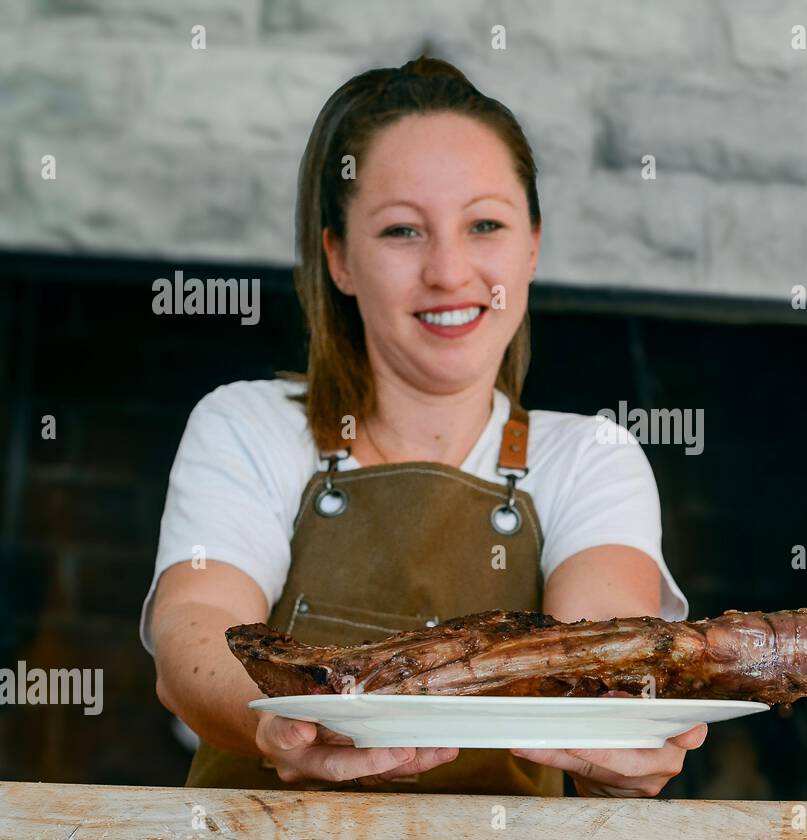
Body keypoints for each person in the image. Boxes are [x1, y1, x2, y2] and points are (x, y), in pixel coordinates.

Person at [143, 56, 706, 797]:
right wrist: (269, 721)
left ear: (531, 246)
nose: (448, 270)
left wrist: (621, 752)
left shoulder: (591, 457)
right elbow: (197, 630)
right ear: (338, 257)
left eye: (485, 224)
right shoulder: (245, 425)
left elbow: (602, 658)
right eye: (403, 230)